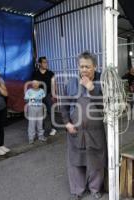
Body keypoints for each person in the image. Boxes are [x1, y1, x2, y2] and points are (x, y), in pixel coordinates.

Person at [61, 52, 106, 200]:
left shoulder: (103, 81)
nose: (84, 70)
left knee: (97, 159)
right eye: (81, 67)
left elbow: (104, 106)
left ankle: (95, 188)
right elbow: (64, 106)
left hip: (96, 130)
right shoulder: (72, 83)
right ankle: (78, 190)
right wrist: (67, 123)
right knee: (76, 159)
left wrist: (91, 88)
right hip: (76, 130)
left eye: (88, 66)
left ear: (95, 66)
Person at [32, 57, 57, 136]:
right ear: (39, 63)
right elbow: (34, 85)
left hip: (48, 95)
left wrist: (54, 95)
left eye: (46, 62)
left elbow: (54, 84)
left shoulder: (50, 73)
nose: (46, 64)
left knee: (51, 111)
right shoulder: (35, 74)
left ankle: (53, 128)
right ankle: (41, 129)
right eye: (44, 62)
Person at [24, 80, 47, 144]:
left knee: (40, 122)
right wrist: (35, 99)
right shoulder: (29, 91)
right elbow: (26, 100)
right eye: (34, 83)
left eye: (37, 83)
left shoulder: (42, 91)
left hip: (40, 108)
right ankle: (31, 138)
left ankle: (41, 136)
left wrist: (33, 99)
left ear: (39, 84)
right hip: (32, 108)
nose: (35, 85)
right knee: (32, 123)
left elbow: (42, 98)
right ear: (32, 84)